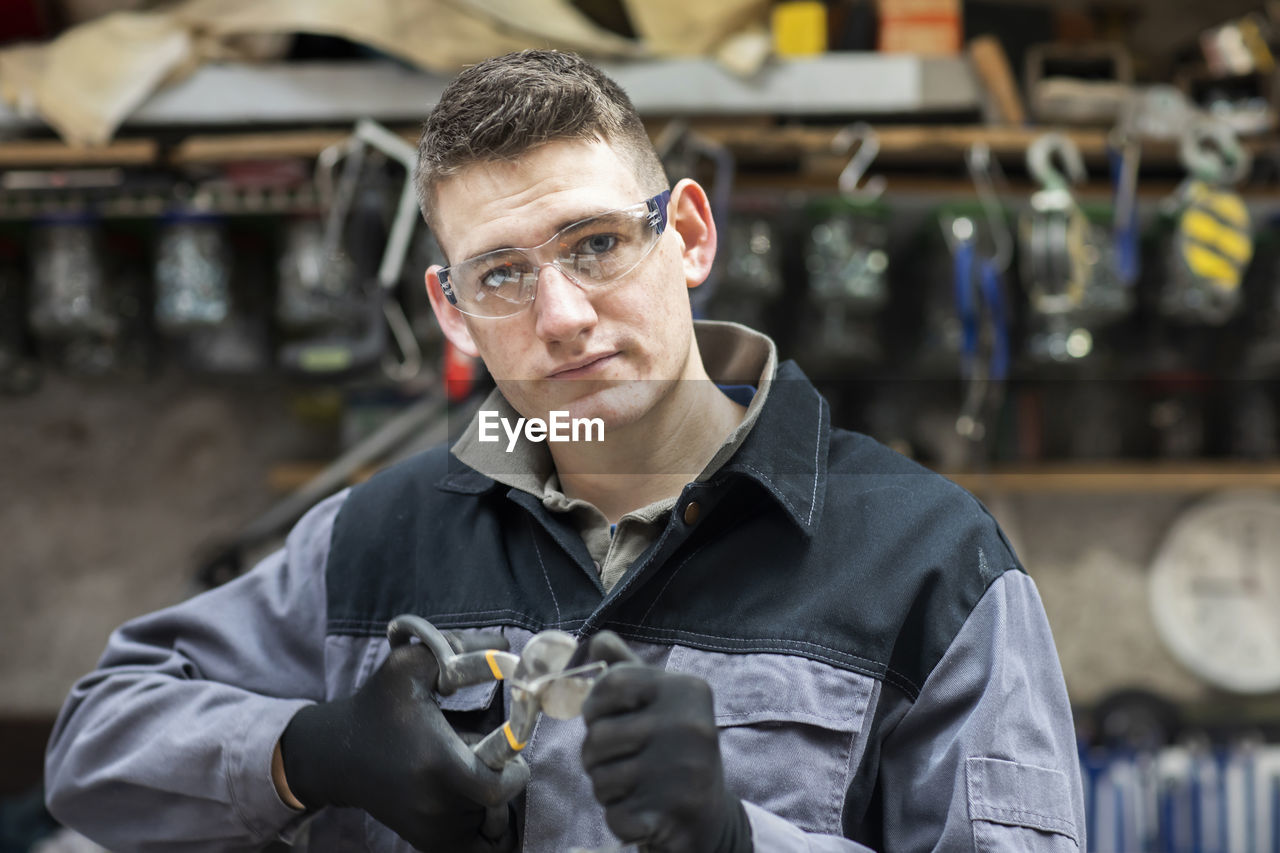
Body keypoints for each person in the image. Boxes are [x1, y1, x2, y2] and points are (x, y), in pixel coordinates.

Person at [45, 49, 1085, 852]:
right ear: (450, 313)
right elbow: (97, 742)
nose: (563, 316)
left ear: (686, 235)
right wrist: (305, 755)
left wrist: (738, 837)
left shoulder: (932, 562)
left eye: (594, 244)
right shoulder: (371, 538)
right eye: (500, 273)